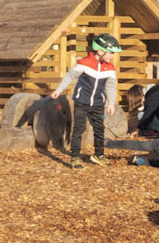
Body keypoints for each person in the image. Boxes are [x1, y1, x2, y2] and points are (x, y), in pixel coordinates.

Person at [51, 33, 121, 165]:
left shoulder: (110, 68)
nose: (112, 56)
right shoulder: (84, 63)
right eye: (110, 53)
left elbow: (111, 86)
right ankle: (75, 157)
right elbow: (70, 75)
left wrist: (111, 103)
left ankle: (99, 155)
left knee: (99, 129)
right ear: (100, 51)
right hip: (81, 102)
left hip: (98, 103)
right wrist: (59, 89)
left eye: (113, 54)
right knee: (79, 128)